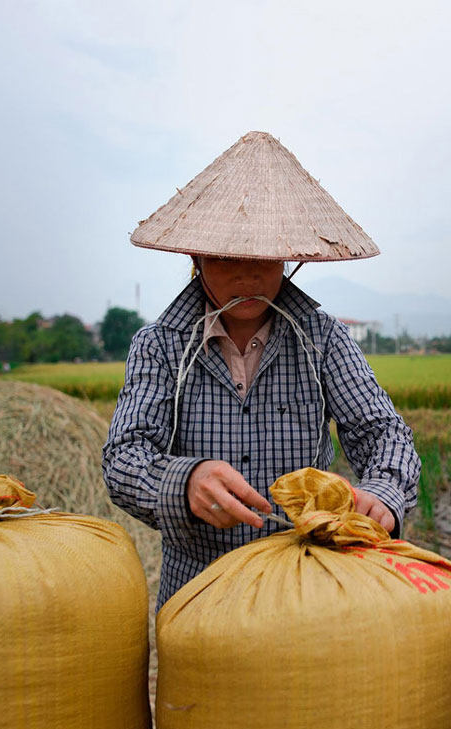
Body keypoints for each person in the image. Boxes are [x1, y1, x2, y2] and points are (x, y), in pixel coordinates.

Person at [102, 131, 420, 608]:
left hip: (304, 581)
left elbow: (383, 433)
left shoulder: (322, 339)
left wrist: (382, 491)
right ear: (196, 257)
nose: (247, 276)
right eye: (227, 257)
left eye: (265, 258)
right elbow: (123, 458)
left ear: (289, 258)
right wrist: (186, 482)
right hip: (199, 586)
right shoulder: (160, 346)